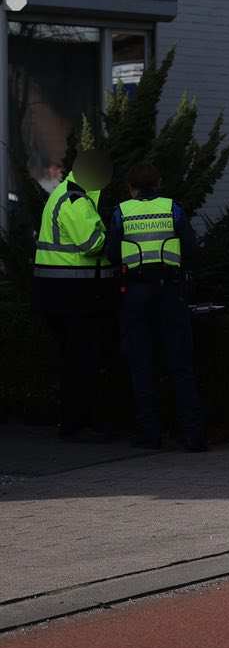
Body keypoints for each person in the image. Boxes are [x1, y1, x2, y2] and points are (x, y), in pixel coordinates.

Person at [110, 162, 206, 452]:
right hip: (170, 291)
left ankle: (150, 434)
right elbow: (190, 248)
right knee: (181, 365)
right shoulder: (172, 208)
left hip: (136, 293)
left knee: (141, 364)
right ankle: (193, 435)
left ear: (131, 187)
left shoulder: (121, 212)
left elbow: (112, 253)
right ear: (158, 183)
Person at [33, 148, 117, 442]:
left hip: (58, 292)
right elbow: (92, 244)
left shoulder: (61, 194)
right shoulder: (75, 201)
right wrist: (114, 236)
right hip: (76, 294)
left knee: (72, 359)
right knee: (84, 359)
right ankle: (79, 422)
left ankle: (73, 420)